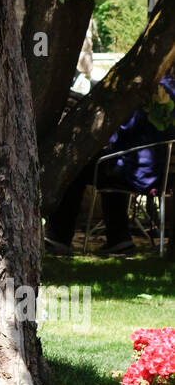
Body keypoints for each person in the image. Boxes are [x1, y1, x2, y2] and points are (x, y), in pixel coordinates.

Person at [45, 75, 175, 256]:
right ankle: (119, 239)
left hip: (134, 170)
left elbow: (114, 129)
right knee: (110, 165)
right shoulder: (171, 89)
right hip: (162, 173)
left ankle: (58, 237)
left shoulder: (143, 88)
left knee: (76, 167)